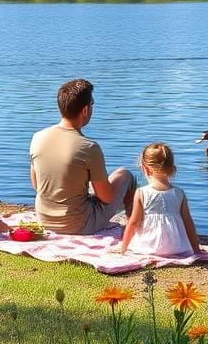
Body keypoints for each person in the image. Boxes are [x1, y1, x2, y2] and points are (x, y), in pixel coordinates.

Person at [29, 78, 135, 235]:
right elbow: (106, 198)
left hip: (44, 218)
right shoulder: (89, 147)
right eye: (92, 104)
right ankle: (134, 225)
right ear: (85, 110)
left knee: (89, 183)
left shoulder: (37, 137)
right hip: (78, 224)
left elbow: (37, 185)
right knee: (125, 175)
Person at [119, 142, 201, 256]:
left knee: (137, 239)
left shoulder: (142, 192)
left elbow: (133, 222)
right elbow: (188, 223)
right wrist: (196, 250)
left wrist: (123, 248)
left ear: (145, 168)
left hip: (148, 247)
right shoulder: (178, 193)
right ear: (172, 168)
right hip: (176, 247)